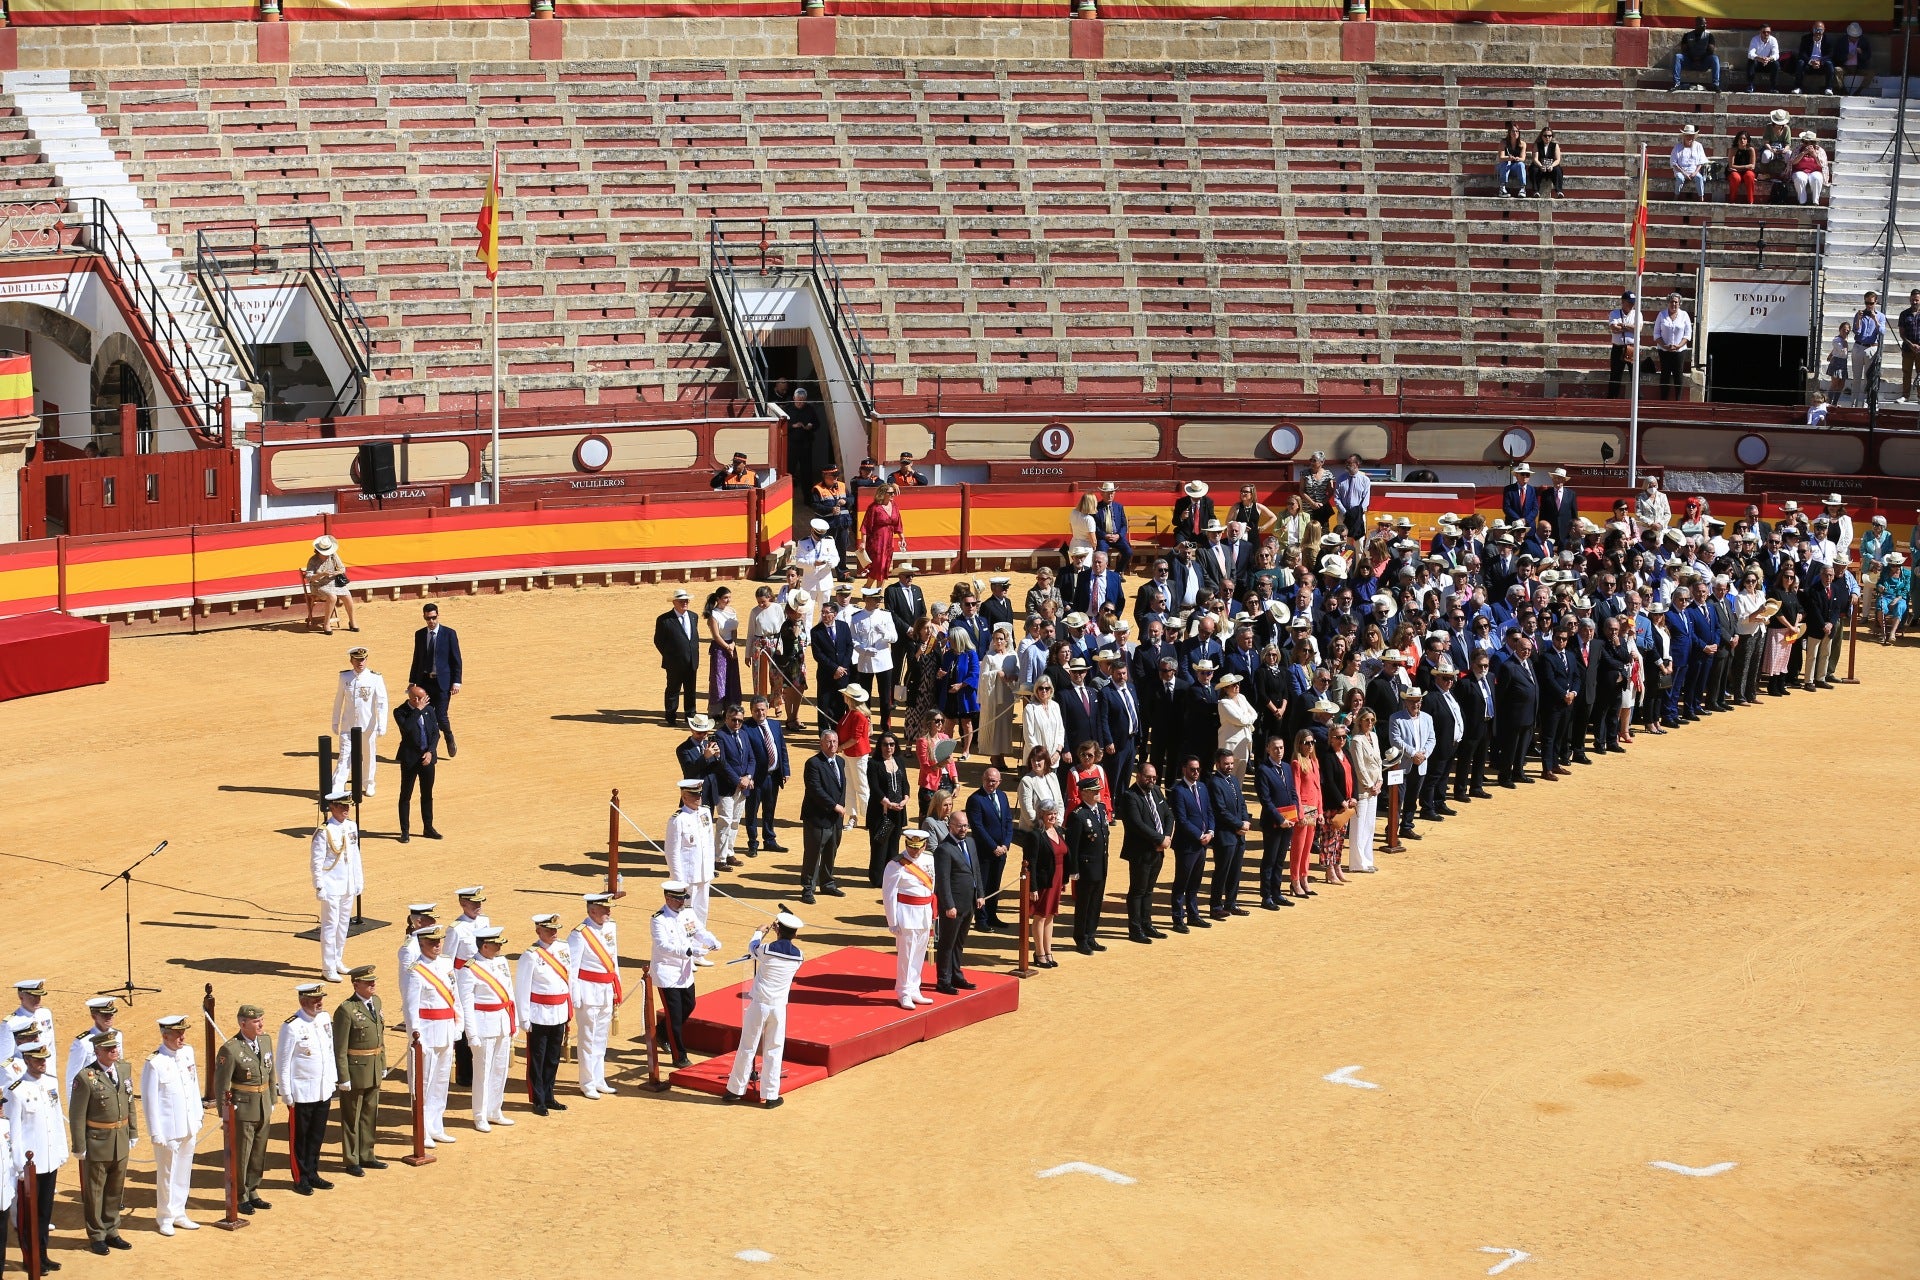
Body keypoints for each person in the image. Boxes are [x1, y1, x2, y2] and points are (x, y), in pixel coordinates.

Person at [723, 911, 805, 1109]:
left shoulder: (767, 949)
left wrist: (759, 932)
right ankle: (770, 1095)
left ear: (778, 929)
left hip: (759, 1004)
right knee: (774, 1049)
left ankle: (734, 1090)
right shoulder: (799, 956)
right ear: (794, 934)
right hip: (779, 1007)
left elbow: (753, 949)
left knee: (748, 1045)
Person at [68, 1030, 136, 1255]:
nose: (114, 1051)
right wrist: (80, 1146)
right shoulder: (85, 1078)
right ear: (97, 1052)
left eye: (115, 1047)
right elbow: (77, 1114)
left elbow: (129, 1102)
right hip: (97, 1142)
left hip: (121, 1139)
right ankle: (97, 1234)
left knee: (116, 1189)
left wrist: (133, 1131)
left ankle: (112, 1230)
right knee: (95, 1192)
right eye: (108, 1049)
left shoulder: (124, 1068)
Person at [139, 1014, 202, 1233]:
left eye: (183, 1033)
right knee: (167, 1173)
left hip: (188, 1124)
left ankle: (179, 1212)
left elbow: (193, 1087)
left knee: (183, 1171)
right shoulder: (155, 1063)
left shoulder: (187, 1053)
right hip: (168, 1130)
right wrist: (155, 1132)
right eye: (177, 1034)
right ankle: (165, 1216)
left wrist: (198, 1115)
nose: (182, 1037)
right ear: (165, 1036)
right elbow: (150, 1100)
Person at [6, 1040, 66, 1268]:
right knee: (28, 1216)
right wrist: (20, 1165)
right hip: (30, 1164)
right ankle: (30, 1258)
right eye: (38, 1059)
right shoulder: (17, 1091)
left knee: (45, 1211)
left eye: (44, 1059)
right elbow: (15, 1131)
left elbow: (56, 1120)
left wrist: (61, 1149)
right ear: (27, 1060)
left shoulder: (51, 1083)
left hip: (49, 1159)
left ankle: (42, 1254)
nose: (43, 1063)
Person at [214, 1004, 277, 1213]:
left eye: (261, 1019)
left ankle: (253, 1190)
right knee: (242, 1154)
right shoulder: (231, 1049)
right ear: (243, 1024)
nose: (261, 1024)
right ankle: (240, 1196)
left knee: (258, 1152)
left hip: (263, 1105)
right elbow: (222, 1085)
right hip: (243, 1109)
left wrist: (272, 1100)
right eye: (256, 1021)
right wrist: (225, 1115)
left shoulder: (265, 1041)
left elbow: (270, 1072)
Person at [274, 984, 335, 1196]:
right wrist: (286, 1093)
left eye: (321, 998)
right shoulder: (292, 1026)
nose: (319, 1002)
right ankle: (300, 1178)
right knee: (300, 1139)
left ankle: (313, 1173)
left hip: (322, 1088)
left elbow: (329, 1051)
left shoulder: (324, 1019)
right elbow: (282, 1062)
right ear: (302, 1002)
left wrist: (333, 1080)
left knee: (317, 1136)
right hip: (301, 1092)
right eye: (314, 999)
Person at [402, 926, 460, 1146]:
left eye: (439, 941)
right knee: (423, 1084)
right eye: (432, 942)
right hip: (427, 1033)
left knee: (441, 1082)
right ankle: (422, 1130)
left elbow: (454, 996)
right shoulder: (416, 970)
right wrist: (415, 1037)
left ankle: (436, 1126)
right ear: (421, 944)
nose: (437, 945)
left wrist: (458, 1023)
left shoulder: (445, 963)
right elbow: (411, 1007)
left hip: (445, 1029)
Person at [650, 882, 719, 1069]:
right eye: (678, 899)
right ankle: (679, 1056)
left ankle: (662, 1033)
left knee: (689, 1005)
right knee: (674, 1016)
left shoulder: (687, 913)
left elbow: (698, 931)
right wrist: (688, 951)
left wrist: (710, 940)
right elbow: (663, 946)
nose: (682, 902)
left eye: (683, 898)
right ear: (668, 898)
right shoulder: (659, 919)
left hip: (685, 972)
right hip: (667, 972)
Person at [457, 927, 515, 1133]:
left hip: (501, 1021)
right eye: (496, 944)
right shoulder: (469, 969)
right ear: (485, 946)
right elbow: (466, 1004)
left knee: (500, 1070)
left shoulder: (501, 962)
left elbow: (509, 992)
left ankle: (495, 1110)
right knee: (483, 1073)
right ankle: (480, 1115)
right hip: (483, 1024)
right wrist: (471, 1034)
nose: (500, 947)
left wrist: (511, 1022)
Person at [331, 965, 387, 1170]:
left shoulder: (377, 1001)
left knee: (370, 1114)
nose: (373, 984)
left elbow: (381, 1036)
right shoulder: (346, 1010)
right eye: (368, 982)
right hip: (355, 1071)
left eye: (373, 981)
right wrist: (343, 1076)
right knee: (351, 1117)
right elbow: (340, 1047)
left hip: (373, 1067)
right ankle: (352, 1158)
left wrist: (382, 1063)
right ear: (356, 984)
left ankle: (367, 1154)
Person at [512, 919, 571, 1115]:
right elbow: (522, 988)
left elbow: (567, 980)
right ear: (539, 931)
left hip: (559, 1012)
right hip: (539, 1014)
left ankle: (549, 1095)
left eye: (555, 929)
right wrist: (524, 1018)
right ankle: (538, 1100)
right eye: (549, 930)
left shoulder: (564, 948)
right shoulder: (530, 956)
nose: (554, 933)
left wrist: (568, 1008)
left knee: (553, 1058)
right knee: (538, 1059)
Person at [567, 893, 621, 1100]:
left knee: (601, 1038)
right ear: (591, 911)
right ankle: (587, 1082)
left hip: (606, 989)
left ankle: (599, 1078)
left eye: (609, 909)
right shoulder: (579, 934)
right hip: (588, 992)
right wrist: (575, 995)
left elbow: (614, 959)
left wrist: (618, 985)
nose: (609, 912)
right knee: (587, 1039)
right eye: (604, 909)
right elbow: (572, 968)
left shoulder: (611, 927)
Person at [1118, 762, 1173, 941]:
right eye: (1148, 777)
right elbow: (1136, 825)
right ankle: (1135, 929)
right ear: (1139, 776)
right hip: (1141, 851)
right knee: (1138, 890)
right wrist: (1159, 840)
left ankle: (1147, 924)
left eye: (1154, 778)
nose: (1151, 781)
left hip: (1158, 850)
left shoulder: (1156, 791)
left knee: (1149, 890)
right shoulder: (1130, 796)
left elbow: (1168, 815)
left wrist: (1166, 838)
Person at [883, 830, 938, 1007]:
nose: (914, 851)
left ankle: (914, 988)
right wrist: (892, 922)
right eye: (911, 847)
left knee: (919, 953)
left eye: (918, 847)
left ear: (925, 845)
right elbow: (889, 895)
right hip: (907, 914)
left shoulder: (929, 859)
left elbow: (931, 887)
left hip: (924, 913)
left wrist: (931, 913)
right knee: (906, 956)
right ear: (906, 844)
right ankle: (903, 991)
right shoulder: (896, 865)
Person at [330, 645, 390, 797]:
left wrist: (382, 724)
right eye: (357, 660)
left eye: (362, 659)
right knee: (344, 756)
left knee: (369, 754)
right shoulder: (345, 677)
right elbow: (339, 700)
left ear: (366, 659)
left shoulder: (375, 678)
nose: (360, 662)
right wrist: (335, 721)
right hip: (348, 725)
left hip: (367, 725)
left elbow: (382, 703)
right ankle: (337, 787)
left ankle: (368, 782)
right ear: (351, 661)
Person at [933, 810, 981, 993]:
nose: (963, 829)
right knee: (947, 944)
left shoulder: (970, 842)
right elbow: (943, 881)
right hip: (953, 906)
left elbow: (975, 870)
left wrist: (980, 895)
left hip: (969, 903)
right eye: (959, 826)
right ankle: (943, 980)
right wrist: (948, 905)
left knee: (959, 943)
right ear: (950, 826)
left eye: (965, 825)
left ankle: (956, 975)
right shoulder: (944, 849)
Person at [1064, 775, 1111, 954]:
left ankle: (1091, 934)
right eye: (1094, 791)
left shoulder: (1100, 808)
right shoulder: (1078, 815)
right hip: (1086, 867)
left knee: (1096, 903)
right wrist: (1074, 869)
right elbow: (1073, 846)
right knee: (1084, 904)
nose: (1099, 792)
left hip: (1100, 864)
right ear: (1084, 793)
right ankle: (1081, 938)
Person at [407, 602, 462, 757]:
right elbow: (416, 658)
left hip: (443, 683)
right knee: (425, 714)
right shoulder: (419, 634)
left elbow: (456, 659)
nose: (431, 621)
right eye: (428, 618)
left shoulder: (449, 634)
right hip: (425, 681)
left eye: (433, 618)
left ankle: (449, 736)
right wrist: (412, 681)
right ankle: (431, 749)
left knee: (441, 716)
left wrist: (456, 681)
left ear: (438, 615)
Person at [799, 730, 847, 905]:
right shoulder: (813, 763)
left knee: (831, 850)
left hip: (835, 818)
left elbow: (842, 787)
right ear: (821, 744)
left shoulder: (840, 762)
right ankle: (807, 888)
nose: (832, 745)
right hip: (817, 816)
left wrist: (839, 808)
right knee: (813, 853)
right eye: (828, 742)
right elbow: (815, 789)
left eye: (835, 741)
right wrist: (835, 806)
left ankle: (827, 883)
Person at [966, 767, 1015, 933]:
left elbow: (1008, 821)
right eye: (988, 780)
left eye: (994, 781)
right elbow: (978, 827)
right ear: (983, 779)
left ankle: (992, 915)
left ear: (999, 782)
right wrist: (993, 847)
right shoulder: (975, 799)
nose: (991, 783)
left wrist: (1006, 845)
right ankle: (981, 919)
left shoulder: (1002, 796)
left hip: (1001, 850)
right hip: (985, 851)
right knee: (982, 885)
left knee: (995, 884)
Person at [1168, 754, 1214, 930]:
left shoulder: (1202, 787)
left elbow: (1209, 812)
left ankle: (1194, 915)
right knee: (1182, 882)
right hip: (1187, 844)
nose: (1196, 772)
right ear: (1184, 769)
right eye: (1192, 769)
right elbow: (1181, 819)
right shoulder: (1178, 790)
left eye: (1198, 769)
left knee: (1195, 881)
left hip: (1202, 842)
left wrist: (1210, 832)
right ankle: (1178, 918)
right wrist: (1200, 836)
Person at [391, 683, 442, 843]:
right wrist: (418, 709)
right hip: (410, 759)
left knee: (427, 795)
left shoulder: (429, 709)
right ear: (414, 699)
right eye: (421, 698)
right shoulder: (400, 712)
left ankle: (428, 827)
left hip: (427, 759)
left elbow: (435, 733)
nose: (425, 700)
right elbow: (407, 728)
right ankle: (405, 831)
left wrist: (430, 751)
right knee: (405, 795)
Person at [1205, 748, 1251, 919]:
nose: (1230, 766)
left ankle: (1231, 902)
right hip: (1225, 835)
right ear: (1217, 764)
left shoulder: (1232, 780)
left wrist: (1245, 821)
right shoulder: (1214, 782)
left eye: (1231, 763)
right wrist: (1238, 824)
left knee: (1235, 871)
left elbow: (1242, 804)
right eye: (1226, 764)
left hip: (1238, 834)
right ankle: (1216, 906)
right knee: (1222, 872)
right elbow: (1220, 811)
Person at [665, 777, 717, 927]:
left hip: (704, 874)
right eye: (694, 795)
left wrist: (710, 870)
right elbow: (671, 852)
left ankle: (699, 945)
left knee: (702, 911)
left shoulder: (705, 813)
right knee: (686, 914)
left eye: (699, 794)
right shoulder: (678, 819)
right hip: (687, 877)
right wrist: (678, 881)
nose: (698, 798)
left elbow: (709, 844)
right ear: (684, 797)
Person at [1495, 633, 1540, 786]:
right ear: (1516, 647)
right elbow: (1501, 694)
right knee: (1510, 748)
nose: (1526, 652)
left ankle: (1518, 772)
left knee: (1522, 748)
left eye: (1529, 649)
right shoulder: (1508, 666)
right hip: (1513, 716)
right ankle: (1505, 776)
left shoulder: (1529, 663)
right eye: (1523, 649)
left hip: (1528, 714)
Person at [653, 587, 702, 727]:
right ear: (674, 602)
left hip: (691, 660)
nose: (684, 603)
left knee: (690, 690)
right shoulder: (664, 620)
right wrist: (670, 656)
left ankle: (690, 715)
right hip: (674, 663)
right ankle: (670, 716)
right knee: (673, 690)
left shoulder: (693, 616)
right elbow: (658, 641)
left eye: (686, 600)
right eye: (681, 601)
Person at [1284, 731, 1322, 899]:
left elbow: (1318, 789)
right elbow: (1296, 791)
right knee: (1298, 848)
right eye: (1307, 742)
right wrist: (1299, 812)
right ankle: (1294, 880)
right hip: (1303, 808)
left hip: (1313, 807)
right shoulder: (1296, 763)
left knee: (1307, 847)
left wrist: (1320, 811)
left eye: (1312, 742)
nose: (1310, 745)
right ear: (1299, 744)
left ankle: (1304, 878)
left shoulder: (1314, 761)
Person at [1345, 707, 1383, 871]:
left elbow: (1379, 761)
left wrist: (1380, 781)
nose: (1369, 723)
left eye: (1372, 720)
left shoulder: (1373, 736)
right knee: (1359, 826)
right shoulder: (1356, 740)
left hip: (1375, 788)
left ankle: (1367, 859)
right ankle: (1357, 863)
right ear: (1359, 721)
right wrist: (1370, 785)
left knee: (1370, 826)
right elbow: (1359, 767)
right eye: (1366, 719)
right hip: (1362, 788)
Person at [304, 533, 358, 632]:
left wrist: (335, 573)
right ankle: (326, 624)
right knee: (332, 597)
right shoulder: (313, 560)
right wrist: (322, 574)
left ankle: (352, 621)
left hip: (334, 582)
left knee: (347, 595)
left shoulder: (333, 556)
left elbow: (342, 569)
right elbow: (309, 578)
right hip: (318, 585)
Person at [704, 585, 741, 715]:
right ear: (718, 599)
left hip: (731, 646)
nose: (728, 600)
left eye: (729, 597)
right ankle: (716, 710)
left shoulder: (732, 611)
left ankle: (731, 708)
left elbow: (734, 630)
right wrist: (727, 646)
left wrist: (733, 644)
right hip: (719, 648)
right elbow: (716, 635)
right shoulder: (713, 614)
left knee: (732, 678)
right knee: (719, 678)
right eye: (725, 598)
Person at [861, 483, 906, 586]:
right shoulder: (874, 507)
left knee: (885, 566)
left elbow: (898, 523)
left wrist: (902, 538)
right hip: (876, 541)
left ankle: (878, 592)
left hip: (889, 542)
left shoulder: (894, 506)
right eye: (890, 493)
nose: (893, 495)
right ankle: (868, 587)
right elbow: (866, 526)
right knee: (877, 566)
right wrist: (863, 542)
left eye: (893, 492)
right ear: (882, 493)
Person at [1852, 291, 1885, 406]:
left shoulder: (1880, 316)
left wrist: (1875, 319)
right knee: (1856, 377)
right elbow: (1856, 331)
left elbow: (1882, 332)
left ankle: (1865, 402)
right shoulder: (1859, 314)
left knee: (1868, 378)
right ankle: (1854, 402)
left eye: (1871, 303)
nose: (1868, 306)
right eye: (1866, 303)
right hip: (1858, 346)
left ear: (1876, 302)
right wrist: (1859, 320)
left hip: (1871, 347)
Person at [1670, 16, 1720, 91]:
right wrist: (1693, 58)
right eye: (1703, 24)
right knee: (1678, 56)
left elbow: (1711, 51)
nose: (1705, 25)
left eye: (1706, 23)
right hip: (1690, 62)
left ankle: (1715, 84)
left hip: (1703, 63)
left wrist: (1700, 58)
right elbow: (1684, 50)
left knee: (1715, 58)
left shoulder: (1709, 36)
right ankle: (1676, 84)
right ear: (1697, 24)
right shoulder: (1687, 35)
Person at [1607, 290, 1641, 398]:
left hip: (1632, 348)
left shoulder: (1637, 313)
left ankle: (1637, 400)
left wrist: (1623, 325)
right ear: (1623, 302)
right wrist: (1629, 328)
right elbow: (1613, 328)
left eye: (1633, 303)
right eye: (1629, 302)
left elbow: (1638, 329)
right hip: (1618, 348)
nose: (1632, 305)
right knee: (1615, 376)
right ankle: (1612, 400)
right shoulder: (1614, 313)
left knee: (1635, 376)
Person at [1093, 481, 1133, 571]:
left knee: (1128, 552)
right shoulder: (1096, 507)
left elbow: (1124, 525)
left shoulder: (1119, 507)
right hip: (1103, 538)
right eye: (1107, 493)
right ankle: (1104, 573)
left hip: (1117, 537)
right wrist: (1104, 535)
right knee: (1101, 554)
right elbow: (1094, 526)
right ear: (1102, 494)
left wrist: (1118, 535)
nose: (1110, 495)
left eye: (1112, 493)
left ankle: (1118, 572)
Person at [1794, 22, 1837, 95]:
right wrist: (1811, 61)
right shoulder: (1806, 38)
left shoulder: (1828, 40)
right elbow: (1802, 53)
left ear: (1823, 30)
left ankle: (1828, 88)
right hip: (1809, 64)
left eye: (1820, 30)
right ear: (1812, 30)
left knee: (1829, 64)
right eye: (1815, 29)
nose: (1817, 32)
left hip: (1821, 64)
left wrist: (1820, 61)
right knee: (1800, 63)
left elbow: (1830, 54)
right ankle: (1798, 87)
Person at [1877, 552, 1910, 643]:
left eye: (1897, 565)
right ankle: (1883, 632)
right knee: (1880, 605)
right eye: (1892, 565)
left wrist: (1898, 598)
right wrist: (1880, 587)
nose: (1894, 568)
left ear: (1900, 565)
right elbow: (1879, 583)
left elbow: (1907, 589)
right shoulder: (1885, 571)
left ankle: (1892, 633)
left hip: (1900, 597)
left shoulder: (1907, 573)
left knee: (1900, 606)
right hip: (1886, 595)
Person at [1790, 131, 1829, 205]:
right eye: (1805, 142)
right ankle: (1802, 201)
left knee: (1817, 178)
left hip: (1815, 171)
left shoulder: (1820, 151)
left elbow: (1822, 165)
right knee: (1799, 178)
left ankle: (1815, 201)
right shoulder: (1798, 149)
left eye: (1810, 143)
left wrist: (1814, 155)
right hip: (1800, 171)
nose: (1807, 145)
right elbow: (1793, 162)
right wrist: (1803, 153)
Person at [1670, 124, 1709, 200]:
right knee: (1680, 178)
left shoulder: (1698, 146)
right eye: (1687, 135)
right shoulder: (1677, 147)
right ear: (1684, 136)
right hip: (1680, 171)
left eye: (1691, 135)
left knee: (1699, 178)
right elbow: (1674, 163)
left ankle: (1701, 198)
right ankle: (1676, 197)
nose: (1689, 137)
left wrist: (1694, 173)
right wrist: (1684, 173)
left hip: (1694, 170)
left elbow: (1701, 162)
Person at [1494, 121, 1528, 197]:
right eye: (1513, 131)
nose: (1515, 133)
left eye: (1517, 131)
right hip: (1503, 166)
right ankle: (1502, 188)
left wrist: (1517, 158)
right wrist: (1508, 158)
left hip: (1514, 166)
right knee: (1506, 163)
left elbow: (1523, 158)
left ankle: (1522, 188)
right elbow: (1501, 157)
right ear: (1509, 132)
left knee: (1521, 164)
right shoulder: (1503, 142)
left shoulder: (1522, 144)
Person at [1529, 125, 1564, 198]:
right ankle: (1536, 191)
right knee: (1534, 169)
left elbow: (1558, 159)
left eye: (1549, 136)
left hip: (1550, 167)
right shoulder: (1537, 145)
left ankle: (1559, 191)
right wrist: (1541, 166)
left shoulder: (1555, 145)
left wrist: (1552, 166)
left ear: (1552, 136)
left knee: (1558, 169)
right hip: (1540, 166)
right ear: (1542, 136)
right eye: (1545, 136)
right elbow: (1535, 159)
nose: (1547, 137)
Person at [1725, 130, 1758, 204]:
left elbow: (1752, 166)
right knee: (1735, 177)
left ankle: (1750, 201)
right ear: (1737, 140)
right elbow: (1731, 166)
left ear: (1747, 140)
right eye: (1740, 139)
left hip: (1746, 172)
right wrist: (1746, 166)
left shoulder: (1751, 150)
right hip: (1734, 172)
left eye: (1744, 139)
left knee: (1749, 175)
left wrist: (1742, 167)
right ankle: (1732, 200)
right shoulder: (1733, 150)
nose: (1742, 141)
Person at [1745, 24, 1781, 92]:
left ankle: (1773, 87)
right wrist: (1759, 58)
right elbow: (1750, 54)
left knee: (1776, 64)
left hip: (1768, 63)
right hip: (1758, 63)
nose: (1766, 34)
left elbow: (1776, 54)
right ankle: (1750, 86)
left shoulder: (1773, 40)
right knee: (1751, 61)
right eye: (1764, 32)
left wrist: (1769, 59)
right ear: (1760, 32)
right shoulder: (1755, 39)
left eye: (1768, 32)